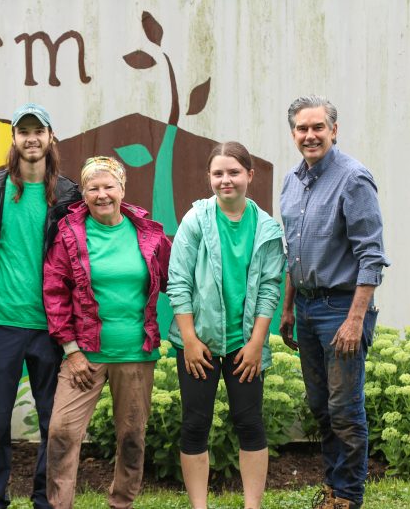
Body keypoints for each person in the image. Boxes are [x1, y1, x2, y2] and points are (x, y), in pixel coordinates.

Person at [279, 96, 389, 509]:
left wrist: (354, 320)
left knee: (344, 408)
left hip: (342, 309)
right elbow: (293, 251)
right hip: (306, 309)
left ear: (334, 130)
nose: (310, 135)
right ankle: (333, 484)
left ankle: (348, 496)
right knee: (320, 406)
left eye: (318, 127)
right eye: (302, 129)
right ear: (293, 134)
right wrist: (289, 308)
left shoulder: (353, 179)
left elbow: (372, 256)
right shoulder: (292, 180)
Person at [42, 156, 171, 509]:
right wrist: (71, 350)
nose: (101, 195)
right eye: (92, 188)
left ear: (122, 189)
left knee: (132, 437)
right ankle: (58, 505)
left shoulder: (149, 234)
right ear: (82, 193)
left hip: (135, 353)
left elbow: (177, 279)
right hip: (84, 355)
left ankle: (121, 503)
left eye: (108, 186)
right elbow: (54, 292)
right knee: (62, 433)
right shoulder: (68, 234)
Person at [167, 141, 285, 509]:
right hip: (197, 341)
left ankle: (253, 505)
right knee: (195, 424)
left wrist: (255, 344)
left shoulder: (266, 228)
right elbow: (178, 280)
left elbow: (269, 289)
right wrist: (188, 339)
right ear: (209, 177)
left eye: (233, 172)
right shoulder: (196, 220)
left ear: (250, 175)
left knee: (249, 422)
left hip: (244, 343)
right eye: (218, 173)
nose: (225, 180)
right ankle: (199, 506)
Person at [0, 103, 80, 509]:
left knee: (51, 425)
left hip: (53, 328)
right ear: (14, 139)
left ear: (50, 137)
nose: (31, 138)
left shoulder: (71, 195)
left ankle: (45, 499)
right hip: (1, 323)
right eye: (24, 131)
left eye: (39, 131)